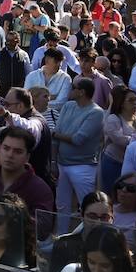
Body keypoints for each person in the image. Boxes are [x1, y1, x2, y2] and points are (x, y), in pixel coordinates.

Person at [53, 78, 107, 227]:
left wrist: (55, 135)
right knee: (61, 206)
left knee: (88, 207)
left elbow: (78, 139)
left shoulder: (96, 112)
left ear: (81, 92)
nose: (70, 90)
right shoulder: (68, 106)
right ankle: (60, 238)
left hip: (83, 167)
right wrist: (53, 161)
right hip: (61, 164)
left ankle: (90, 240)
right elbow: (58, 132)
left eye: (73, 87)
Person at [0, 125, 55, 237]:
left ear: (27, 157)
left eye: (18, 151)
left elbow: (43, 229)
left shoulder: (40, 188)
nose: (10, 155)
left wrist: (12, 215)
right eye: (6, 148)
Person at [47, 191, 116, 272]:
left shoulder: (117, 247)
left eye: (104, 217)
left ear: (113, 218)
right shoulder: (64, 244)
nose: (98, 223)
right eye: (92, 216)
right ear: (81, 216)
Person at [103, 85, 136, 193]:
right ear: (121, 103)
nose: (135, 103)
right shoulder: (113, 119)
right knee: (111, 194)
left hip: (130, 164)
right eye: (131, 100)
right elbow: (120, 140)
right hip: (113, 163)